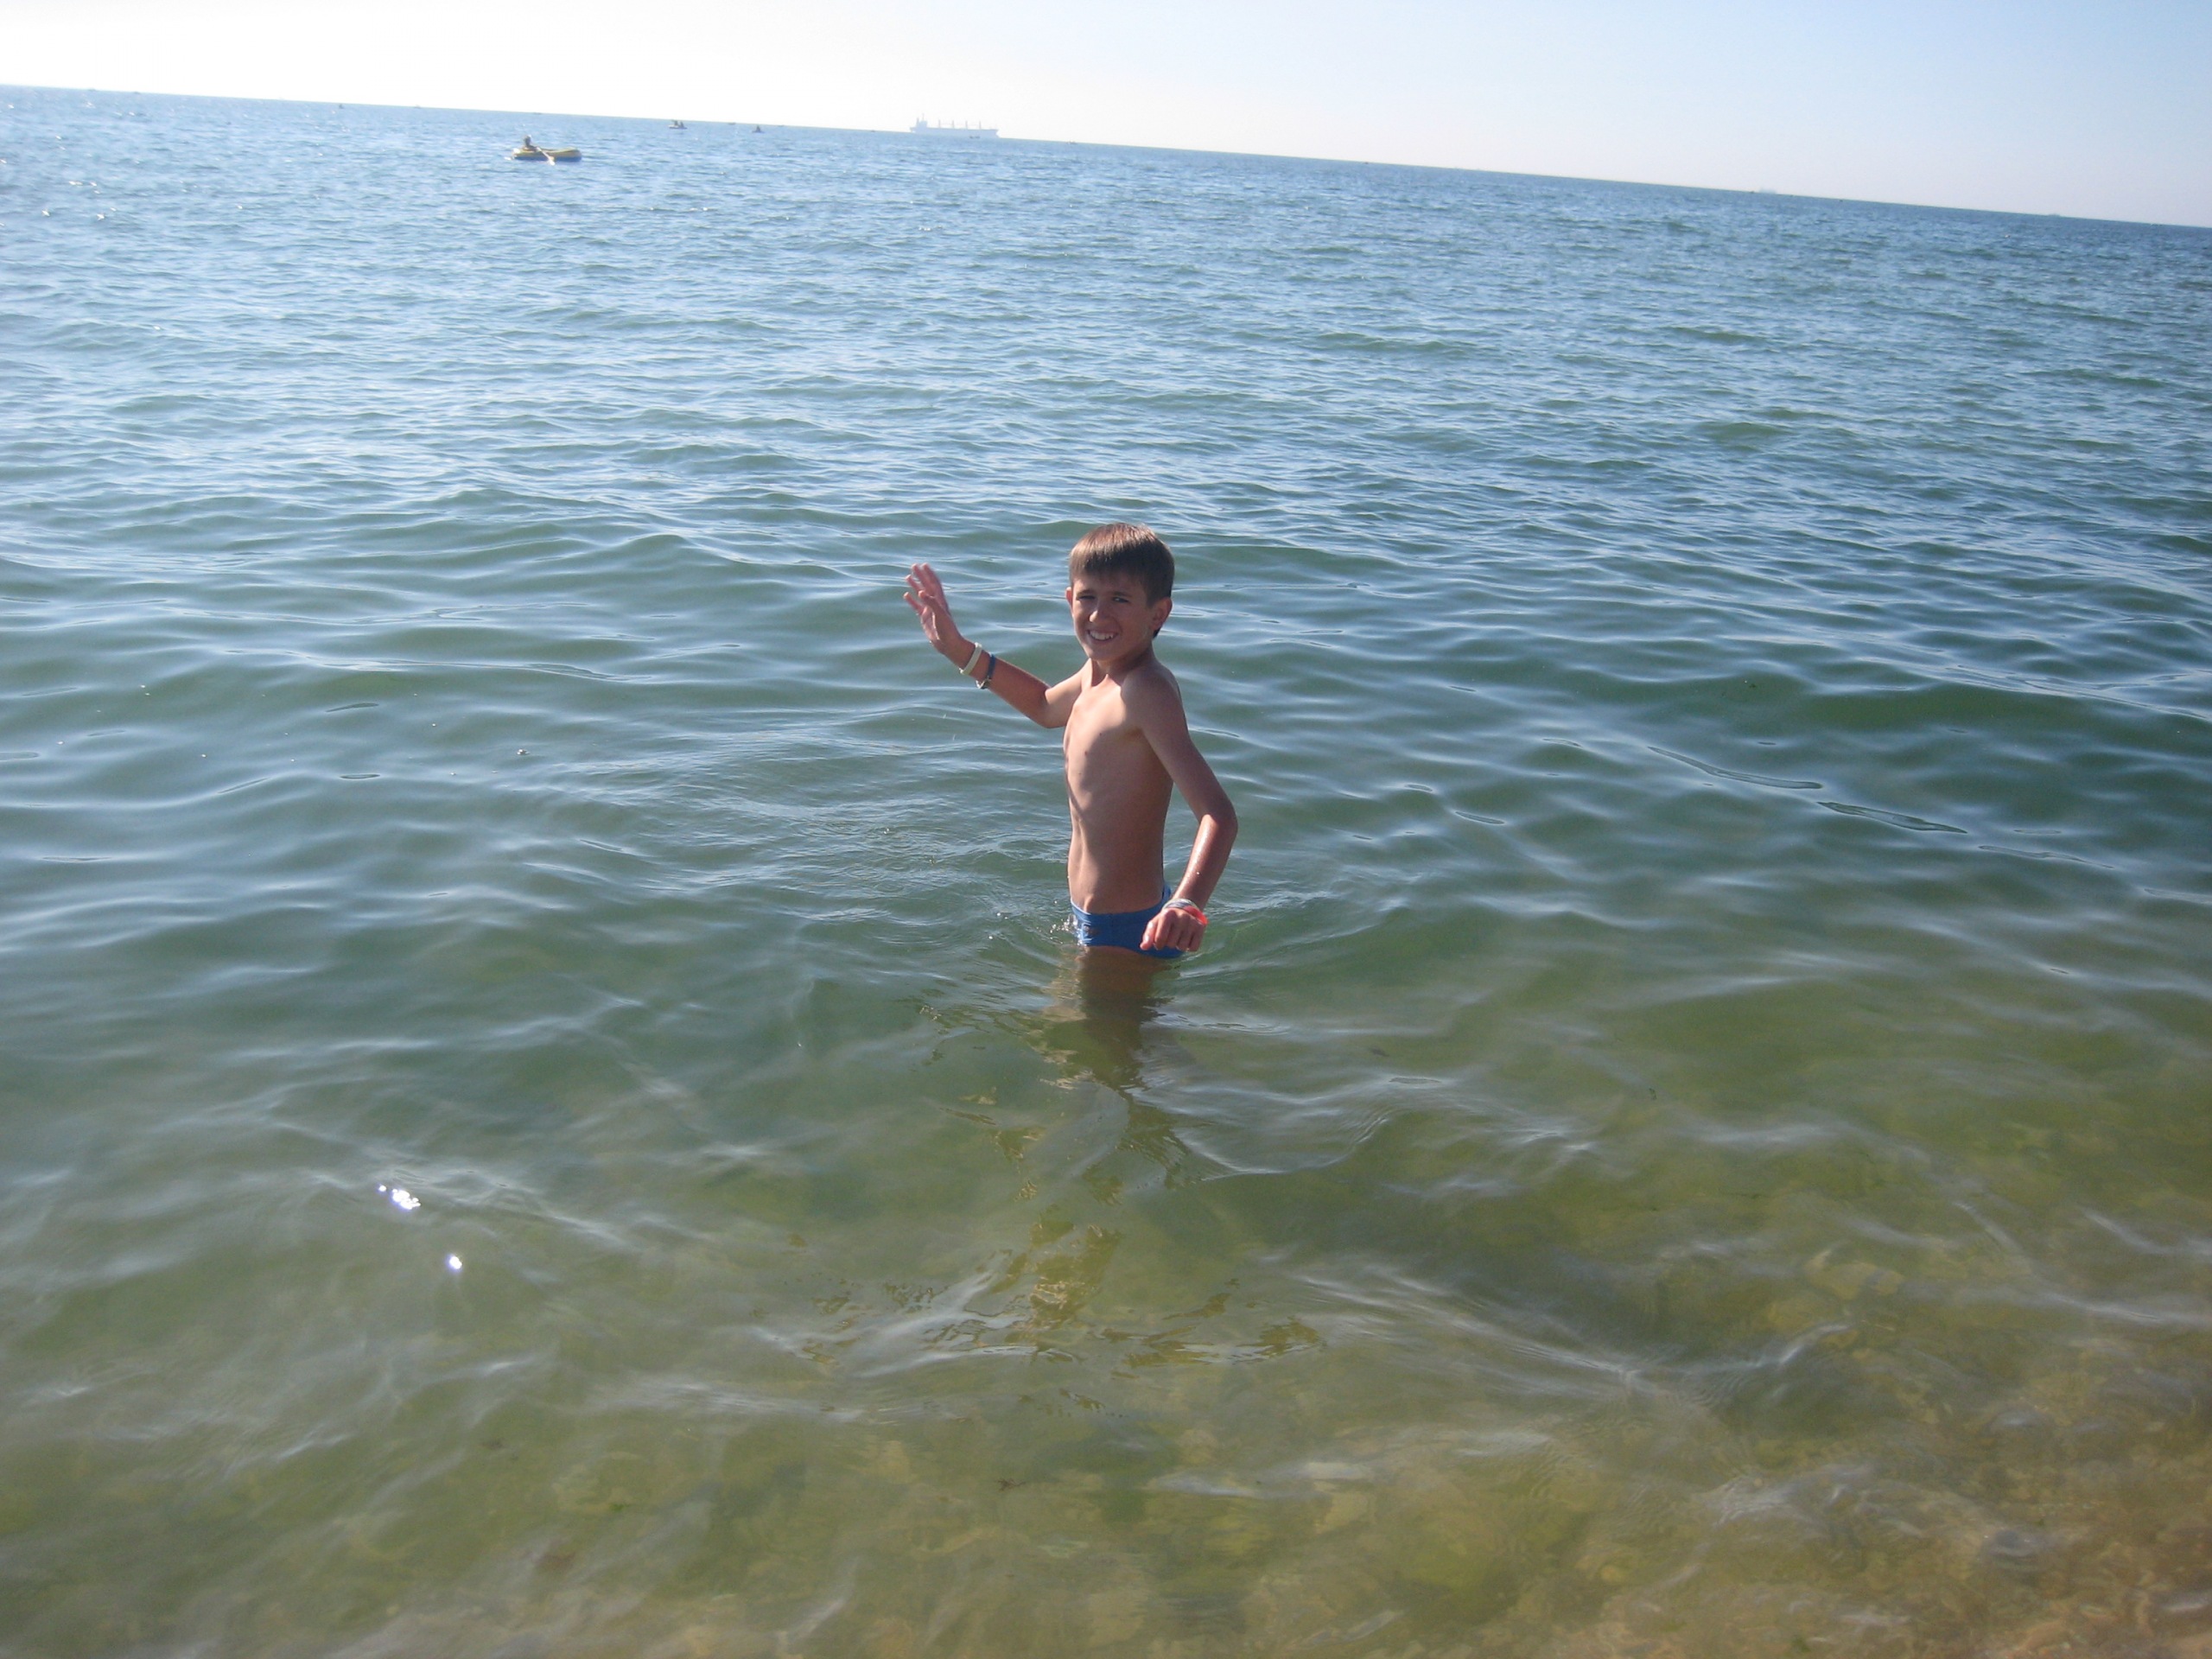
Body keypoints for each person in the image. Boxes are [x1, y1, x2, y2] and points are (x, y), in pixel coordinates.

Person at [904, 524, 1236, 961]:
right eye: (1088, 597)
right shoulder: (1096, 675)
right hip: (1096, 919)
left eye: (1120, 599)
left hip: (1128, 929)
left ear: (1158, 614)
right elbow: (1043, 706)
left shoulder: (1144, 691)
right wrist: (958, 650)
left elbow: (1217, 814)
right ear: (1069, 599)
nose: (1098, 615)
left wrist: (1187, 903)